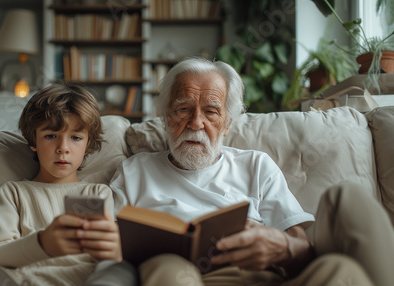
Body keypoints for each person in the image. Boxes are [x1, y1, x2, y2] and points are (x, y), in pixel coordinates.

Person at [87, 57, 394, 286]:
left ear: (228, 123)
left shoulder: (256, 165)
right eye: (183, 109)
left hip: (259, 277)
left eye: (210, 111)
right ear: (166, 117)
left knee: (343, 271)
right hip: (178, 276)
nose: (196, 123)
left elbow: (300, 244)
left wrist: (282, 248)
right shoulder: (133, 170)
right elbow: (111, 250)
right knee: (168, 270)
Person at [0, 80, 123, 286]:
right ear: (33, 141)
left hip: (84, 278)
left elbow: (106, 256)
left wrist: (113, 250)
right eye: (51, 136)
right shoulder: (14, 193)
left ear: (88, 145)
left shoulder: (98, 193)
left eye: (76, 138)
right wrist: (43, 243)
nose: (63, 148)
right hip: (29, 278)